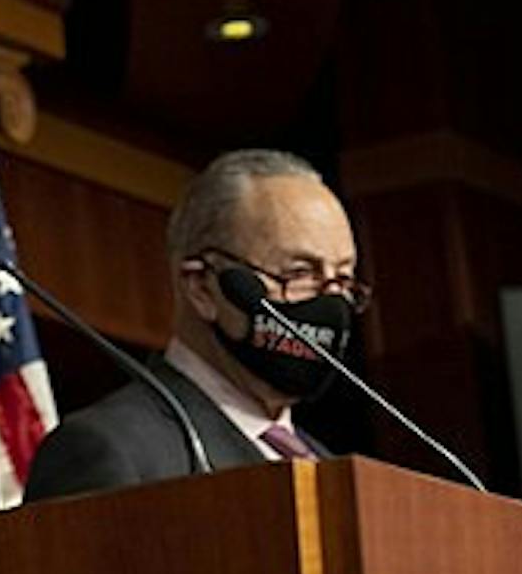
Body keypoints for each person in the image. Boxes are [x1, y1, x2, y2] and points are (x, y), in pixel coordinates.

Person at [25, 149, 367, 498]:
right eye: (299, 273)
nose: (332, 303)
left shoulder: (336, 473)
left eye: (342, 280)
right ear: (203, 286)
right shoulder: (111, 450)